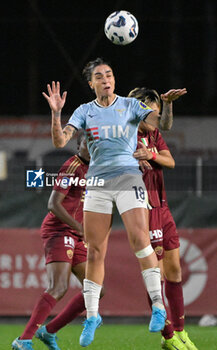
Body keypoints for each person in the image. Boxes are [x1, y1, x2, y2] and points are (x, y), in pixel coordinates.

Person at [41, 57, 185, 347]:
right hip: (97, 183)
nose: (106, 79)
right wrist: (56, 114)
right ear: (91, 83)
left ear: (114, 80)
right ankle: (92, 316)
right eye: (99, 76)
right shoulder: (84, 111)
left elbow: (162, 126)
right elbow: (60, 142)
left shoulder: (130, 106)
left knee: (139, 239)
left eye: (109, 74)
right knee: (95, 251)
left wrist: (167, 104)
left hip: (128, 179)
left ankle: (158, 306)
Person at [12, 132, 99, 350]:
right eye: (86, 143)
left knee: (96, 288)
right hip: (60, 230)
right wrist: (79, 227)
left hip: (77, 234)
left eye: (95, 143)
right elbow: (53, 204)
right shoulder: (71, 166)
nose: (91, 147)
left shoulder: (96, 169)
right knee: (58, 287)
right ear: (79, 145)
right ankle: (23, 340)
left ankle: (49, 331)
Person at [131, 87, 198, 350]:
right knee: (154, 274)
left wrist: (152, 155)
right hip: (142, 209)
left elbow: (170, 161)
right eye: (153, 112)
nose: (157, 118)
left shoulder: (153, 134)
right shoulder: (127, 137)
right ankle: (168, 336)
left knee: (174, 271)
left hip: (163, 206)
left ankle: (181, 332)